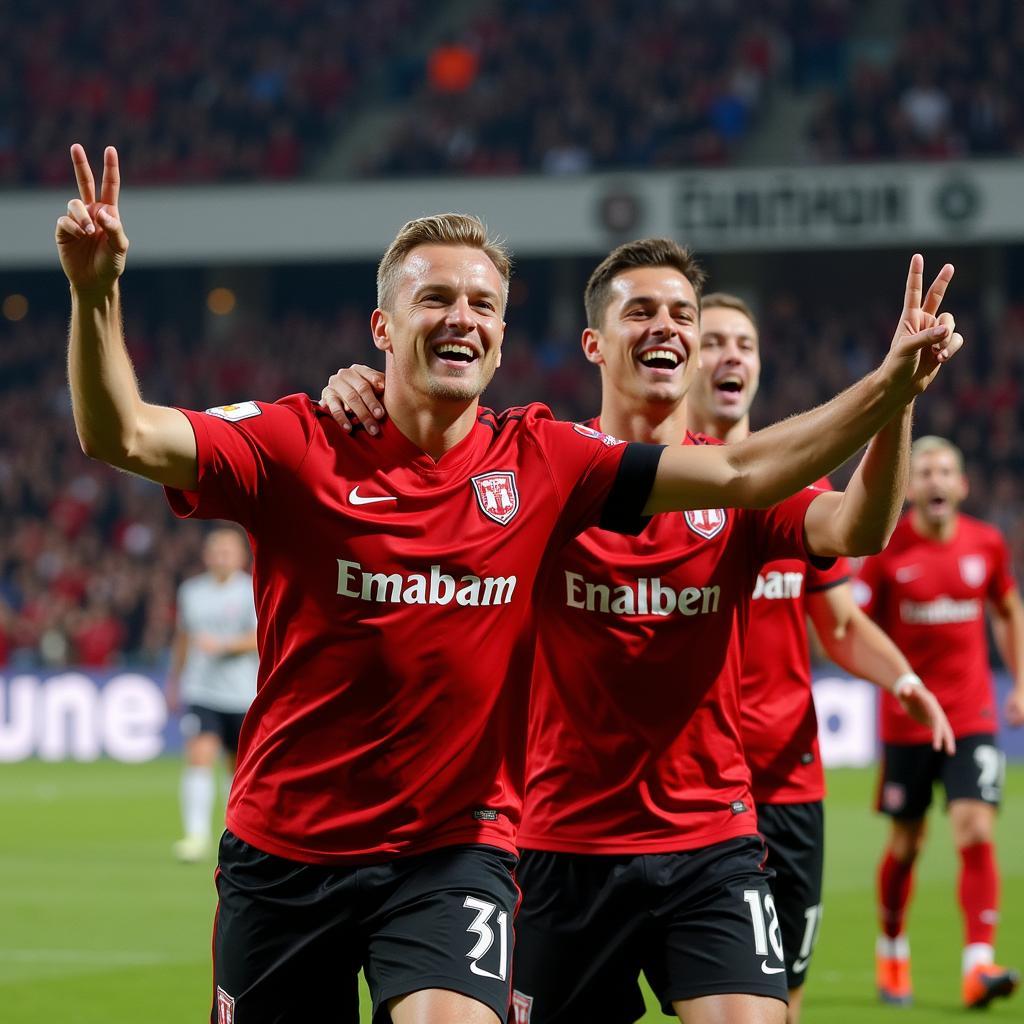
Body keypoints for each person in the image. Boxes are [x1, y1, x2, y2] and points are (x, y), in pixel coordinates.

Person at [322, 238, 956, 1024]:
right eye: (642, 312)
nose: (668, 328)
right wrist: (360, 388)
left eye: (682, 315)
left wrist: (898, 399)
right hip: (558, 849)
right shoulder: (541, 471)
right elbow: (433, 444)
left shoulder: (740, 477)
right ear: (594, 342)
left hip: (709, 840)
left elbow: (859, 528)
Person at [686, 292, 954, 1024]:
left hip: (786, 785)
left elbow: (838, 626)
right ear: (681, 360)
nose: (730, 354)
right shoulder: (650, 485)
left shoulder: (801, 492)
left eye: (744, 342)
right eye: (712, 341)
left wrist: (903, 678)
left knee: (781, 1002)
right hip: (687, 790)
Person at [856, 435, 1024, 1010]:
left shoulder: (987, 544)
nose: (934, 480)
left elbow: (1007, 608)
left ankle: (978, 967)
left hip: (973, 713)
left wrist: (1021, 681)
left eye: (944, 471)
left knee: (976, 828)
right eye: (923, 471)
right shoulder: (887, 551)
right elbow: (855, 628)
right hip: (907, 724)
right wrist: (890, 684)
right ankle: (892, 946)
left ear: (961, 486)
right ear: (910, 487)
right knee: (906, 843)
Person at [165, 527, 258, 863]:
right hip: (201, 689)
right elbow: (183, 638)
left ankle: (233, 831)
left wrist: (223, 646)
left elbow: (262, 638)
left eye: (227, 550)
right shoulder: (191, 591)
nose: (221, 556)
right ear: (206, 555)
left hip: (243, 693)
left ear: (241, 556)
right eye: (216, 550)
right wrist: (174, 681)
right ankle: (195, 835)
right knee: (199, 755)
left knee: (237, 768)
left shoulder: (252, 591)